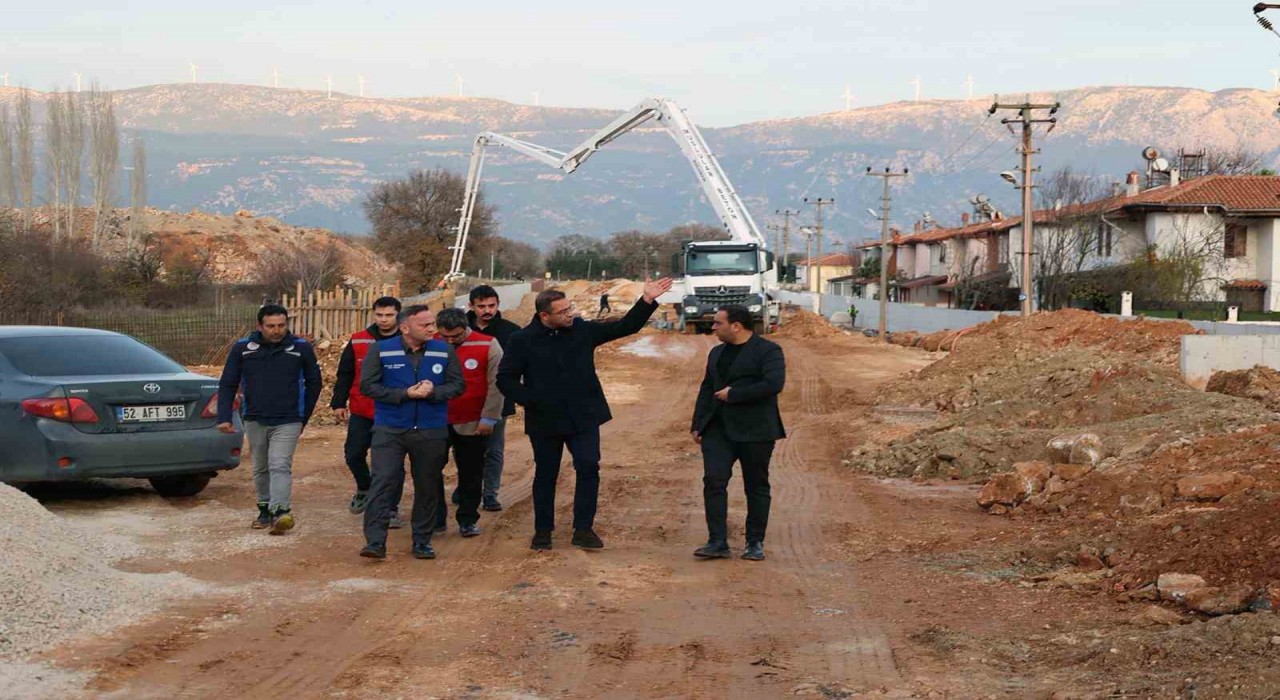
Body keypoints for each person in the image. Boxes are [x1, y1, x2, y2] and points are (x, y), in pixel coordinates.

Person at [498, 278, 673, 551]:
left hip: (583, 416)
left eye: (571, 308)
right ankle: (543, 531)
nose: (571, 314)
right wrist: (531, 401)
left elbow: (624, 327)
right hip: (544, 420)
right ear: (544, 315)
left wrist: (647, 300)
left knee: (589, 467)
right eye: (564, 312)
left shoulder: (582, 331)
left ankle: (583, 529)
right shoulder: (522, 340)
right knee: (546, 474)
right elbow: (505, 379)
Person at [358, 305, 465, 560]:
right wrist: (404, 394)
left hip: (430, 430)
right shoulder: (381, 349)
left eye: (432, 324)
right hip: (390, 429)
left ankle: (422, 541)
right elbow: (368, 386)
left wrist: (434, 392)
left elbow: (457, 385)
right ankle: (375, 542)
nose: (432, 329)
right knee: (383, 483)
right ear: (405, 327)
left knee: (427, 485)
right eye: (425, 325)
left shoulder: (444, 350)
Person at [690, 305, 786, 561]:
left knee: (755, 486)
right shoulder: (716, 353)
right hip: (718, 429)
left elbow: (773, 384)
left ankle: (754, 542)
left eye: (718, 323)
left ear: (736, 326)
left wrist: (735, 394)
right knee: (714, 481)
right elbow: (707, 388)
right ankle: (717, 541)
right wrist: (698, 423)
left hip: (756, 429)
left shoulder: (768, 351)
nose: (713, 327)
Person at [217, 304, 323, 535]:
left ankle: (281, 512)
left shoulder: (301, 348)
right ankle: (264, 509)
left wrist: (304, 416)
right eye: (271, 326)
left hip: (288, 418)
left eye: (281, 326)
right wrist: (224, 415)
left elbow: (315, 382)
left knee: (279, 464)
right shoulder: (243, 348)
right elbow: (227, 383)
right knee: (260, 466)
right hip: (254, 416)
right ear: (260, 326)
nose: (276, 331)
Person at [330, 296, 405, 524]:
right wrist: (338, 402)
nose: (384, 320)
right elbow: (345, 374)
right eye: (380, 315)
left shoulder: (407, 340)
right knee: (353, 455)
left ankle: (390, 508)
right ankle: (365, 487)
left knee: (392, 463)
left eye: (389, 315)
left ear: (398, 315)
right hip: (363, 409)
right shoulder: (359, 340)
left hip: (395, 412)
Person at [433, 308, 504, 537]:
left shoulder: (488, 345)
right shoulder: (430, 343)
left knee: (471, 473)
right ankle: (435, 518)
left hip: (472, 422)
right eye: (446, 336)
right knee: (429, 470)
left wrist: (489, 417)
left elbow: (496, 385)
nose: (450, 341)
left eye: (456, 336)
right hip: (436, 420)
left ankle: (467, 519)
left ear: (466, 326)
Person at [466, 285, 522, 512]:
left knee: (494, 449)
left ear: (498, 305)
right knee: (465, 448)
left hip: (499, 399)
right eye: (481, 306)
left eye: (491, 305)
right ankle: (466, 488)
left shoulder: (511, 332)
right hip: (465, 400)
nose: (487, 310)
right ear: (472, 306)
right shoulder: (460, 330)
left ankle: (490, 493)